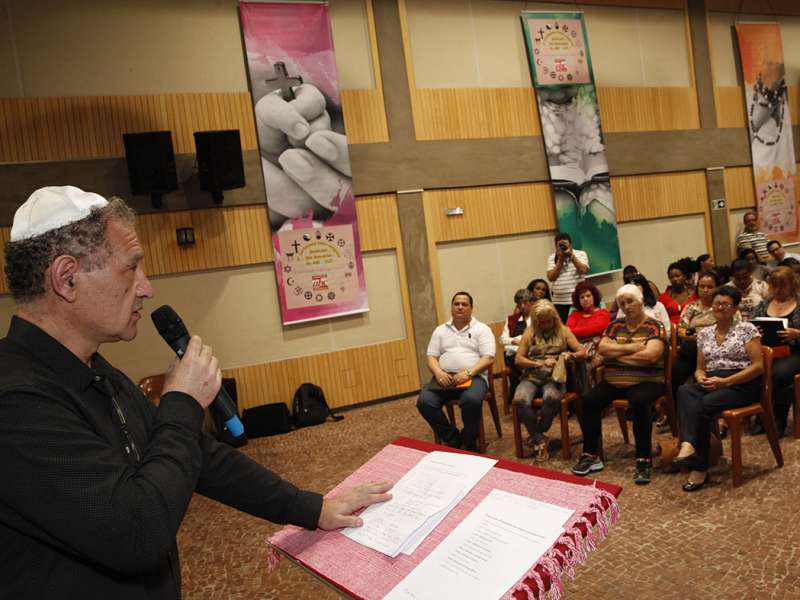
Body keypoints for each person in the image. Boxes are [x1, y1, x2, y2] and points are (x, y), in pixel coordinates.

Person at [0, 186, 392, 599]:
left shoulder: (91, 368)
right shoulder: (15, 401)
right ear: (67, 278)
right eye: (131, 268)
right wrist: (183, 402)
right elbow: (137, 531)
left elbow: (199, 457)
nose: (147, 288)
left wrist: (314, 509)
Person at [571, 284, 666, 485]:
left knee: (639, 401)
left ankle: (643, 459)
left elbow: (651, 356)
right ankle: (591, 454)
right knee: (588, 400)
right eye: (622, 303)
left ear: (640, 301)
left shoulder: (655, 326)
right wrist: (633, 348)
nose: (626, 306)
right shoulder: (615, 326)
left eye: (630, 301)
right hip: (614, 380)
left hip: (648, 380)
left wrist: (617, 354)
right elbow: (603, 348)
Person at [675, 286, 764, 492]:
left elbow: (758, 367)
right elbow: (699, 368)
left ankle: (700, 467)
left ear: (734, 309)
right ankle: (689, 443)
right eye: (717, 303)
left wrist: (726, 382)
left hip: (742, 383)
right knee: (684, 391)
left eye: (726, 304)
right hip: (713, 381)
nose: (720, 308)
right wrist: (701, 378)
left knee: (704, 404)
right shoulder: (704, 333)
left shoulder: (746, 329)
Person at [417, 291, 495, 452]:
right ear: (452, 307)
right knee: (424, 402)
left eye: (464, 304)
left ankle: (468, 439)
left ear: (471, 308)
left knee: (471, 401)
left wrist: (468, 373)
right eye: (456, 304)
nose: (460, 307)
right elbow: (431, 357)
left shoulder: (482, 329)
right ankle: (453, 439)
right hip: (445, 377)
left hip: (474, 377)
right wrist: (438, 373)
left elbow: (488, 358)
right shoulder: (440, 330)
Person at [513, 301, 583, 461]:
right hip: (531, 376)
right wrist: (538, 363)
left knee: (552, 397)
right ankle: (540, 439)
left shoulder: (564, 331)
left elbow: (582, 352)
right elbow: (518, 359)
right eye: (541, 322)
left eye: (548, 321)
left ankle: (536, 433)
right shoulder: (530, 333)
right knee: (520, 400)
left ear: (554, 318)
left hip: (554, 377)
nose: (545, 325)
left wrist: (570, 355)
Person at [751, 266, 800, 435]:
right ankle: (761, 415)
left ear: (792, 285)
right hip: (766, 351)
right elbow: (749, 328)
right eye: (775, 285)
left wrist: (797, 334)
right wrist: (757, 332)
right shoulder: (763, 305)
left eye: (783, 285)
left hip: (794, 352)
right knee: (753, 370)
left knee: (777, 373)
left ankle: (778, 418)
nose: (778, 290)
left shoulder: (799, 303)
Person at [566, 280, 610, 393]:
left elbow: (598, 329)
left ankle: (589, 394)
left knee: (583, 360)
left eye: (588, 296)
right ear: (578, 300)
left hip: (596, 348)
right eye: (582, 297)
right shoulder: (574, 314)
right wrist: (588, 331)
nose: (585, 299)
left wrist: (577, 331)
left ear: (594, 296)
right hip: (576, 347)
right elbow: (568, 331)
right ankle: (578, 399)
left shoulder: (603, 313)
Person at [546, 232, 589, 322]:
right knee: (562, 328)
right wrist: (560, 261)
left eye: (564, 244)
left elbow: (583, 270)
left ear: (570, 244)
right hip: (559, 301)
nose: (562, 247)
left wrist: (572, 257)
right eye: (559, 245)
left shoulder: (581, 254)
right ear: (556, 246)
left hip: (578, 299)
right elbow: (551, 277)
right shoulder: (552, 258)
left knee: (580, 325)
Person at [500, 289, 533, 399]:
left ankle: (519, 394)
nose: (522, 306)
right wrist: (514, 341)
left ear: (531, 302)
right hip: (514, 352)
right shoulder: (511, 319)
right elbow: (503, 339)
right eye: (519, 304)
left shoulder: (537, 318)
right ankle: (520, 395)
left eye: (525, 303)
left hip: (532, 351)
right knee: (516, 360)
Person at [659, 261, 697, 325]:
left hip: (691, 329)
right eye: (671, 277)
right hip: (671, 331)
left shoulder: (694, 295)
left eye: (677, 276)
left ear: (684, 276)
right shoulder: (663, 297)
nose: (675, 279)